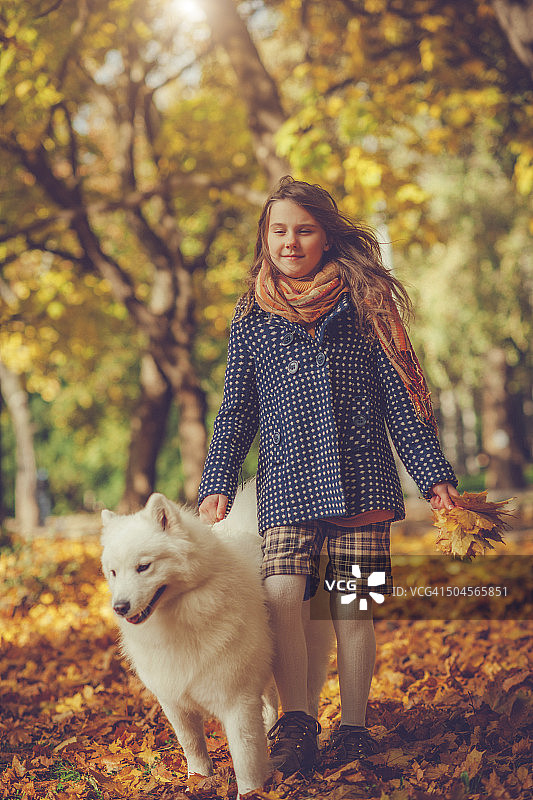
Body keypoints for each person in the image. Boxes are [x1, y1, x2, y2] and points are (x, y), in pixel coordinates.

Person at [198, 176, 459, 777]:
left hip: (362, 478)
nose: (290, 242)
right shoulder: (252, 317)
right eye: (279, 230)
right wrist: (218, 477)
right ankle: (296, 720)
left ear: (326, 236)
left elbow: (401, 399)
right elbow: (238, 405)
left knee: (354, 604)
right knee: (283, 592)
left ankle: (357, 727)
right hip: (287, 483)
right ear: (265, 237)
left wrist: (433, 475)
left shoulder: (365, 307)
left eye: (304, 230)